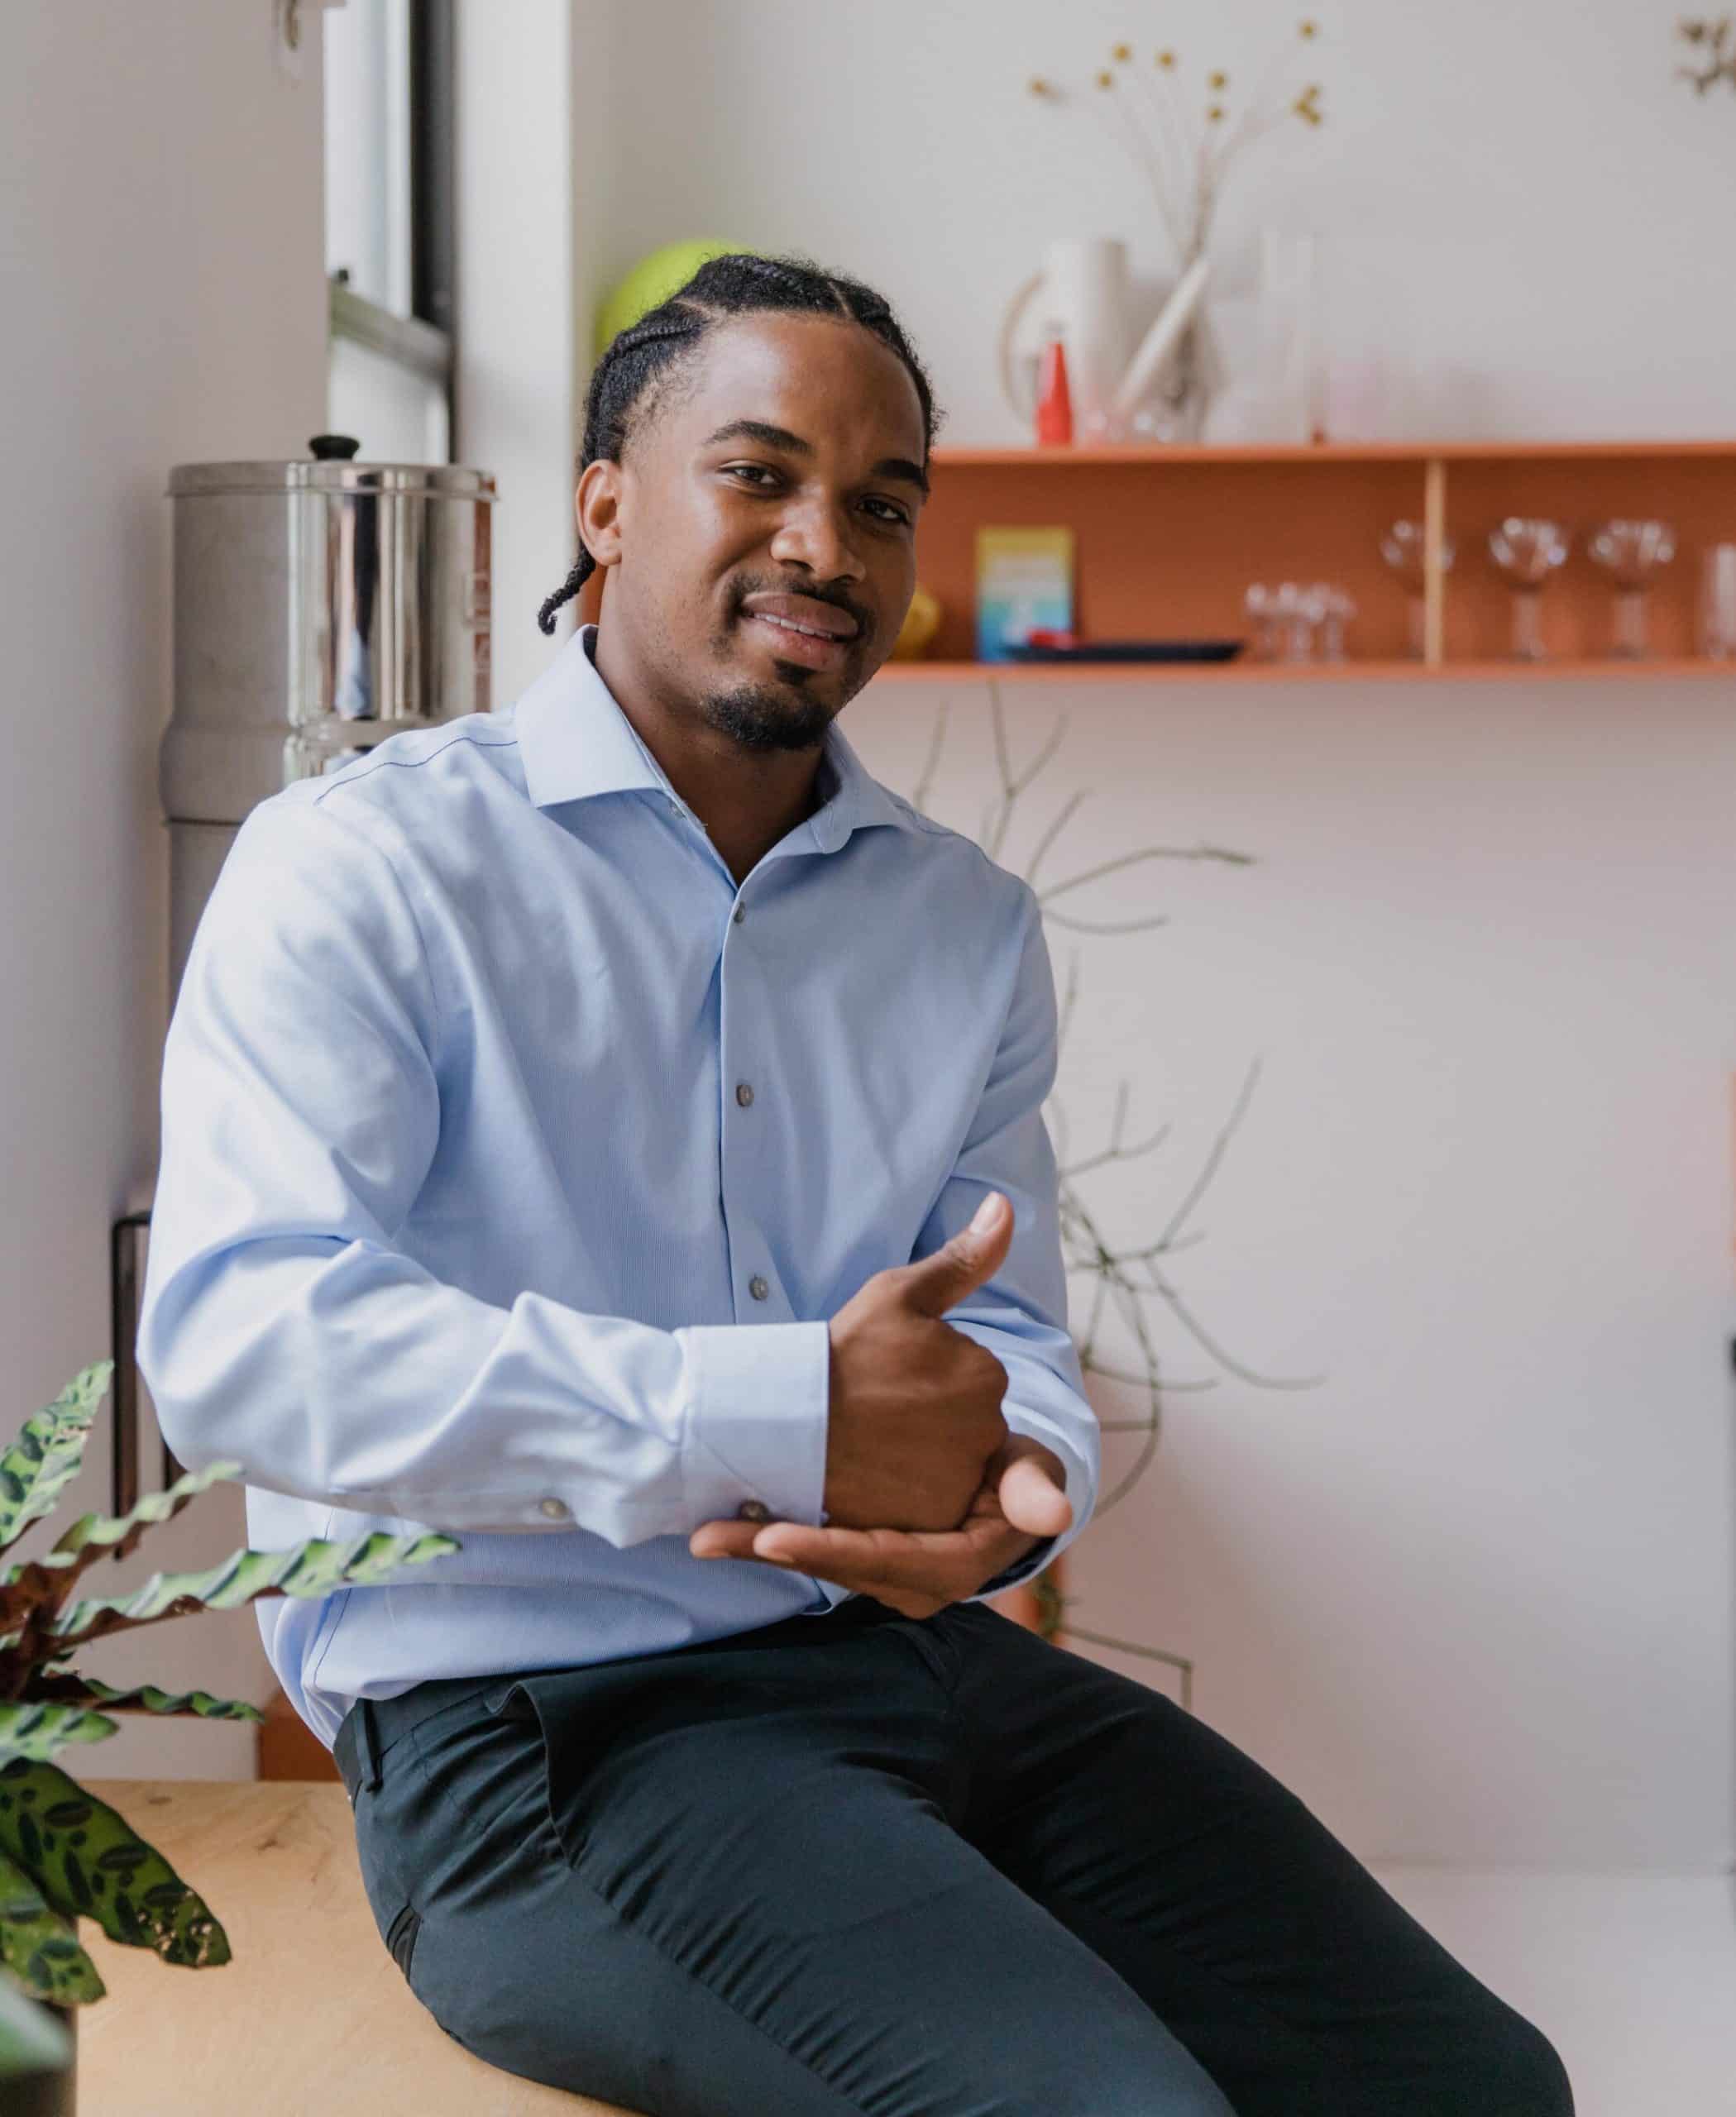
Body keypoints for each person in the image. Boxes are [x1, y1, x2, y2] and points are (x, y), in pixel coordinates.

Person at [136, 253, 1574, 2116]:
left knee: (1472, 2083)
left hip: (922, 1670)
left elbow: (1007, 1339)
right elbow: (245, 1344)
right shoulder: (364, 868)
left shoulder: (962, 928)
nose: (827, 540)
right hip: (543, 1733)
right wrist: (778, 1411)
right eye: (760, 474)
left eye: (883, 502)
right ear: (601, 506)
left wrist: (1012, 1490)